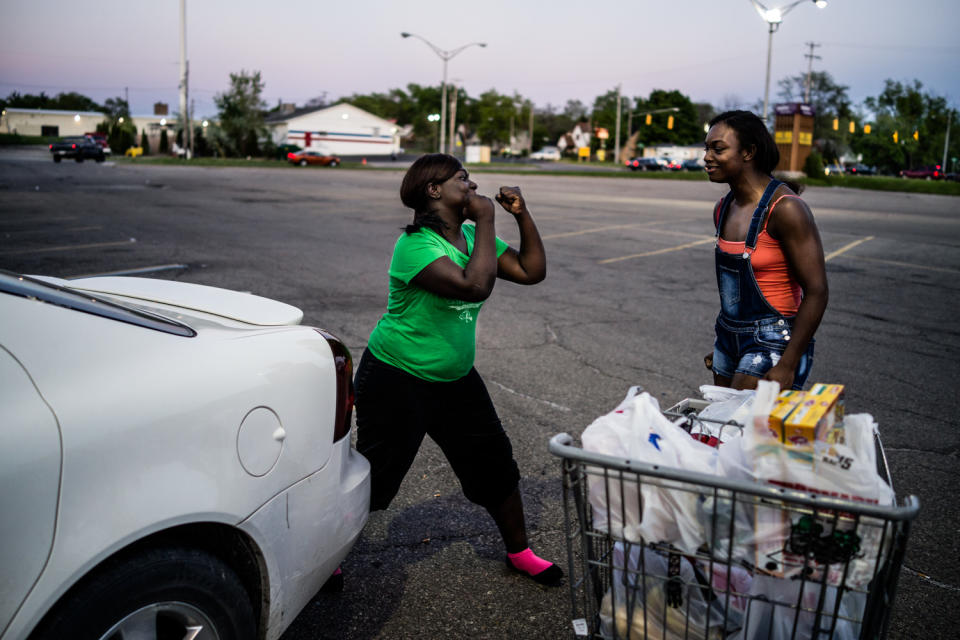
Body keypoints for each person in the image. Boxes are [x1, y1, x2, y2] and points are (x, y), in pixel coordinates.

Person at [353, 153, 561, 586]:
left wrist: (521, 216)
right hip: (397, 377)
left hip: (455, 378)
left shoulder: (469, 236)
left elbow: (530, 271)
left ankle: (520, 552)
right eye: (462, 179)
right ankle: (327, 553)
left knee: (495, 465)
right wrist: (487, 220)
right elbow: (474, 286)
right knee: (376, 476)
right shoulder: (415, 245)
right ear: (434, 191)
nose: (472, 185)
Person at [703, 110, 828, 391]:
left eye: (718, 148)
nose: (707, 157)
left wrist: (788, 363)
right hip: (728, 336)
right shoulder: (722, 209)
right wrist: (729, 345)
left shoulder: (786, 210)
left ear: (748, 152)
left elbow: (817, 290)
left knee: (746, 429)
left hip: (774, 342)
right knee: (722, 428)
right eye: (707, 148)